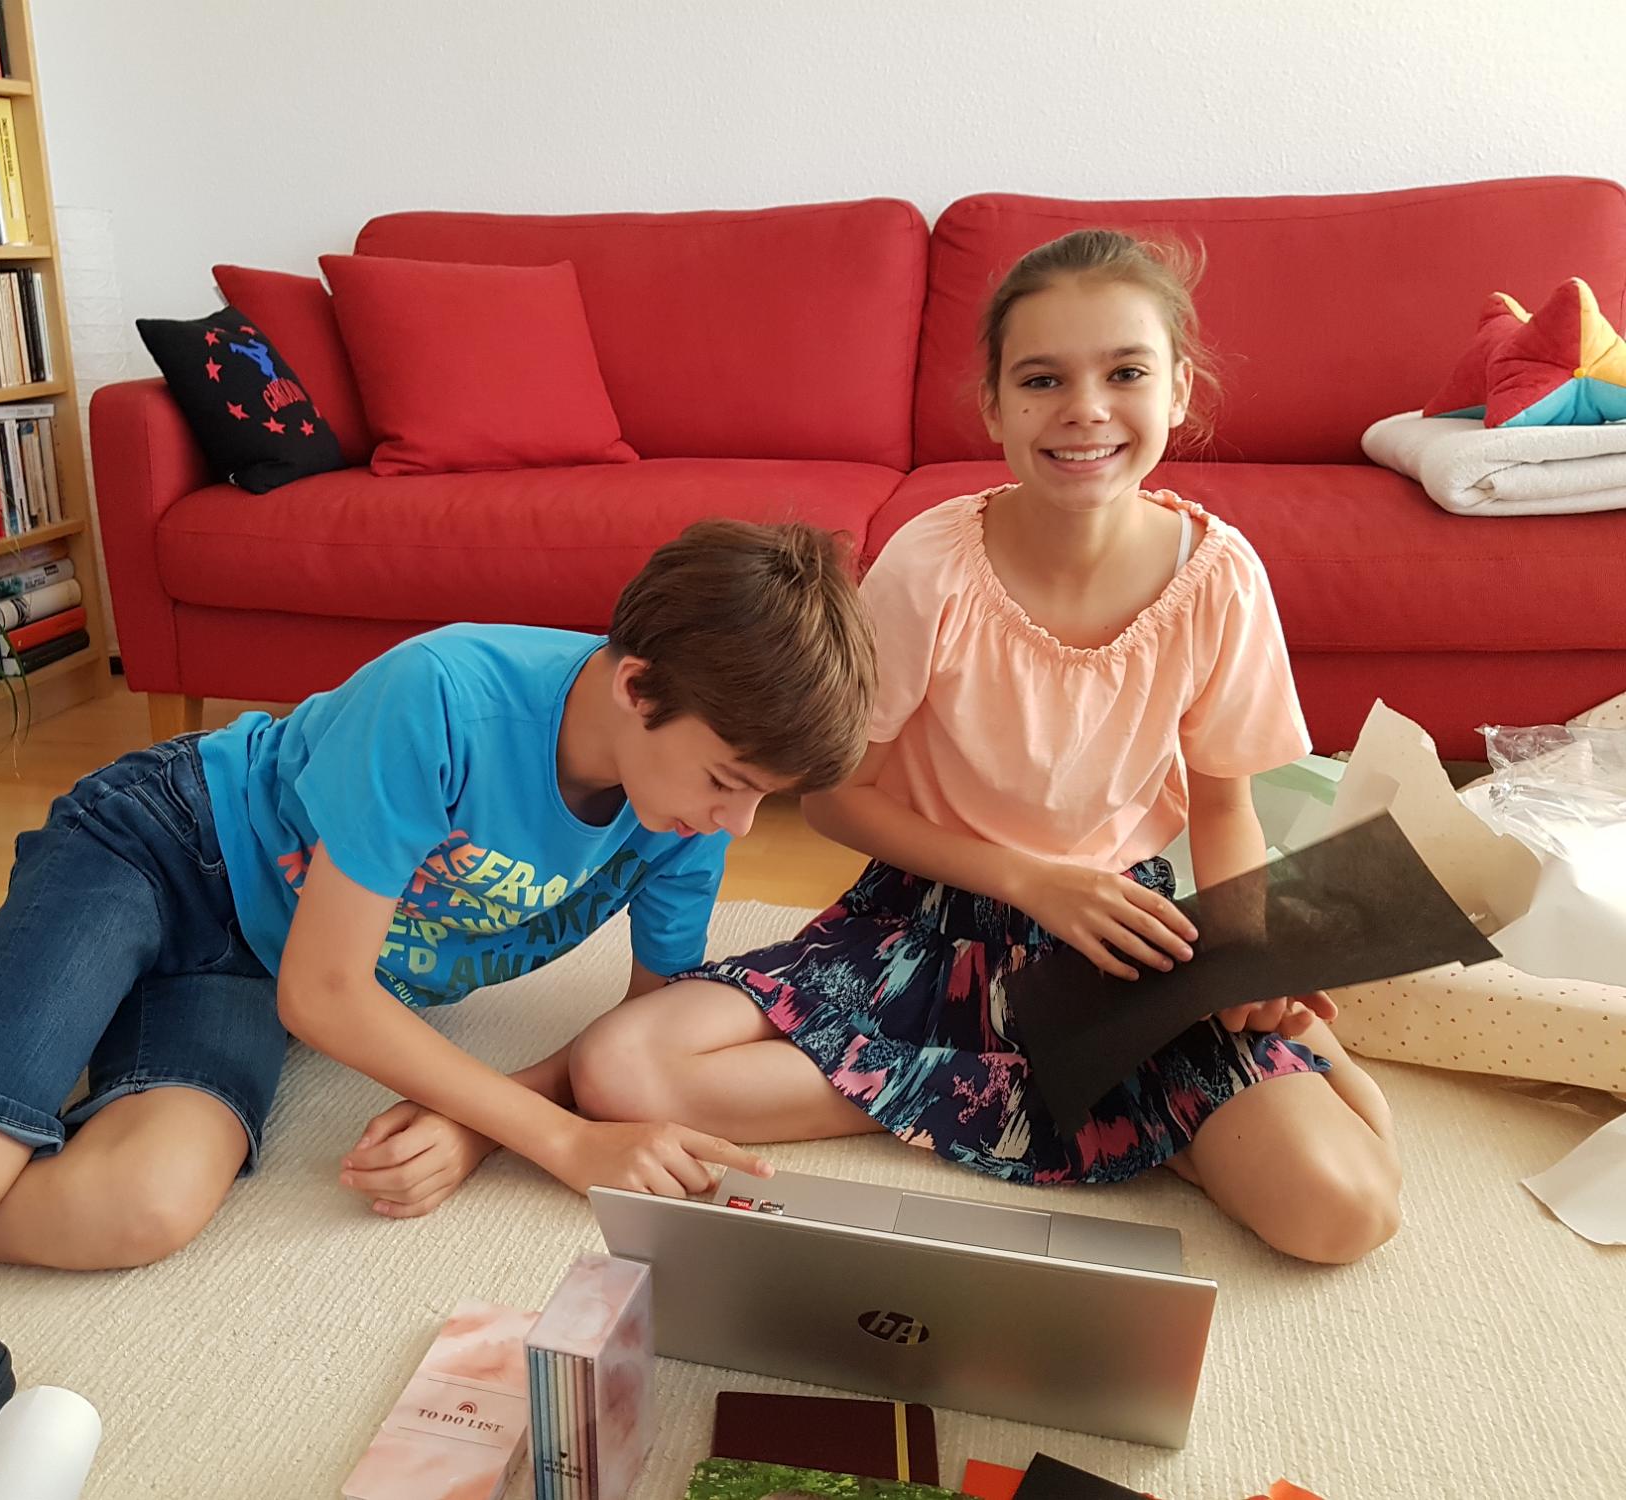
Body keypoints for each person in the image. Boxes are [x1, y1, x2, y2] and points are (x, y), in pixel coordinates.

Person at [0, 518, 875, 1277]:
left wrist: (482, 1124)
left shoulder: (680, 815)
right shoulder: (446, 695)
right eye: (726, 782)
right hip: (162, 849)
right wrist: (556, 1139)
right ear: (636, 686)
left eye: (758, 798)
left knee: (136, 1209)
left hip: (247, 961)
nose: (735, 827)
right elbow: (327, 995)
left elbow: (638, 1028)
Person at [564, 230, 1402, 1265]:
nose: (1085, 409)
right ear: (994, 406)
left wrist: (1244, 962)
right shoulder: (931, 562)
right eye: (1042, 379)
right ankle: (1075, 1103)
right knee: (622, 1070)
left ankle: (1020, 1085)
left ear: (1179, 389)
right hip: (921, 922)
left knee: (1342, 1212)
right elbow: (835, 797)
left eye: (1125, 373)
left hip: (1118, 946)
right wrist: (1028, 880)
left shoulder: (1220, 577)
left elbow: (1225, 808)